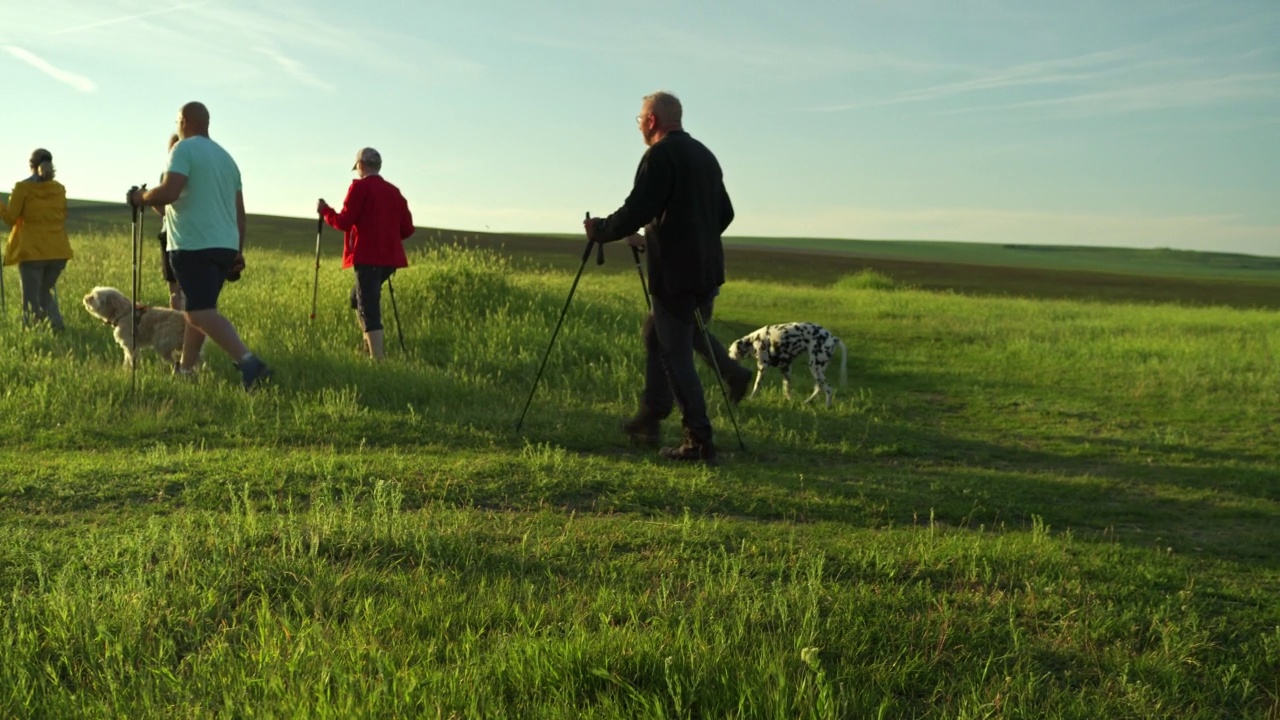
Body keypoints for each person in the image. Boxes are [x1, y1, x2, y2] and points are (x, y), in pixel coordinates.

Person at [584, 91, 752, 465]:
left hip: (676, 275)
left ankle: (699, 441)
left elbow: (637, 209)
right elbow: (724, 212)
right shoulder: (704, 155)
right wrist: (672, 238)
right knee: (657, 333)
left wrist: (600, 231)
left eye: (640, 118)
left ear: (652, 121)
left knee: (674, 352)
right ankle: (651, 417)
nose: (640, 125)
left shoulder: (659, 156)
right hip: (707, 269)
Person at [129, 101, 271, 390]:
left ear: (183, 120)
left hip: (194, 243)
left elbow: (169, 192)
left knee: (197, 313)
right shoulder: (226, 158)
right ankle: (186, 370)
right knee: (199, 309)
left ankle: (249, 363)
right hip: (224, 245)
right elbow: (239, 210)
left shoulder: (183, 149)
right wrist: (238, 250)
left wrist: (141, 197)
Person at [317, 147, 414, 360]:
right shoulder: (394, 192)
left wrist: (325, 212)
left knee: (368, 306)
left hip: (368, 257)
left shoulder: (360, 188)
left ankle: (377, 359)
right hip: (389, 260)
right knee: (357, 298)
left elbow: (344, 222)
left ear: (361, 165)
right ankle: (368, 346)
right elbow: (407, 229)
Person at [0, 148, 73, 331]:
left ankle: (35, 330)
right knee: (43, 291)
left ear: (31, 165)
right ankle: (56, 325)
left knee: (32, 297)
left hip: (32, 251)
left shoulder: (23, 188)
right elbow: (62, 215)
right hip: (58, 252)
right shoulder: (59, 189)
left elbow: (10, 218)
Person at [152, 134, 184, 310]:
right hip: (170, 231)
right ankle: (178, 323)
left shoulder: (168, 174)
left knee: (178, 285)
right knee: (173, 285)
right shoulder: (166, 174)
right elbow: (164, 209)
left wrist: (149, 199)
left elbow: (163, 207)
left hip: (177, 233)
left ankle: (182, 324)